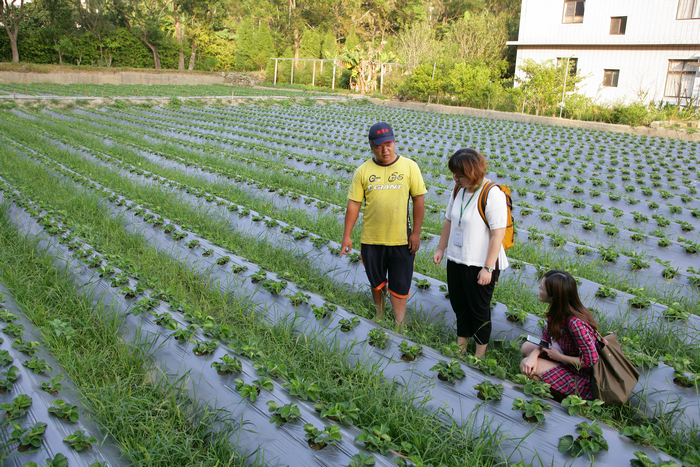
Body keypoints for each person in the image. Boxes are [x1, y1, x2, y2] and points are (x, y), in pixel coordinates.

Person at [340, 122, 427, 327]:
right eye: (379, 145)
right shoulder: (363, 171)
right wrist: (347, 235)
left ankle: (399, 323)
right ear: (371, 145)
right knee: (377, 281)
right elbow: (353, 204)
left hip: (401, 239)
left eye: (388, 144)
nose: (384, 150)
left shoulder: (409, 166)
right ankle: (379, 315)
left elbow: (419, 201)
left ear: (394, 142)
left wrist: (416, 233)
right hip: (372, 238)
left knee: (400, 283)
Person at [432, 148, 508, 357]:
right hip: (457, 259)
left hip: (480, 263)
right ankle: (460, 348)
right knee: (459, 305)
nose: (455, 178)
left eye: (459, 174)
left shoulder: (492, 194)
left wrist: (487, 268)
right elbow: (449, 220)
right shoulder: (458, 189)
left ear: (473, 172)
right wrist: (441, 249)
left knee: (479, 310)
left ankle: (479, 355)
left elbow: (497, 235)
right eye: (454, 174)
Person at [520, 270, 600, 400]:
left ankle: (563, 399)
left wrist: (560, 357)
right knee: (527, 348)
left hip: (581, 376)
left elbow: (590, 360)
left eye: (543, 287)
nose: (539, 287)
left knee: (528, 366)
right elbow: (547, 335)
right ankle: (551, 379)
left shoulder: (575, 323)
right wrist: (534, 354)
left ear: (554, 296)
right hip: (565, 358)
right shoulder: (557, 310)